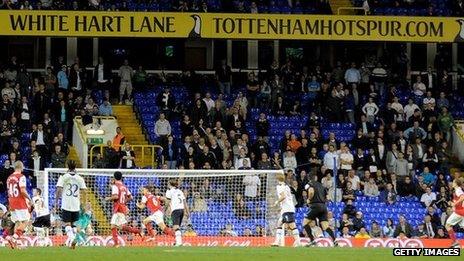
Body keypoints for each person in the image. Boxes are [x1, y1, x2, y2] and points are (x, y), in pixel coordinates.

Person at [54, 160, 87, 249]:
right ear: (75, 167)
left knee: (67, 224)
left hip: (66, 204)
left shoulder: (63, 177)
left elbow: (59, 190)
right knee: (74, 225)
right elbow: (84, 192)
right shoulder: (80, 178)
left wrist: (56, 202)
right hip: (76, 204)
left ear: (67, 166)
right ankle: (75, 242)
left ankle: (72, 239)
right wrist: (84, 204)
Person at [104, 171, 141, 248]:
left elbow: (116, 197)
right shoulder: (124, 186)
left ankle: (117, 243)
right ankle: (117, 242)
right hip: (122, 207)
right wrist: (124, 202)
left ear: (114, 177)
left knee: (114, 226)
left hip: (118, 208)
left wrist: (108, 198)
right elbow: (131, 197)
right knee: (118, 226)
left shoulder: (115, 186)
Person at [303, 175, 337, 246]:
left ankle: (312, 240)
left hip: (315, 205)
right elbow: (327, 197)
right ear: (316, 178)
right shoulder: (322, 185)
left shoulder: (309, 184)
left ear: (308, 178)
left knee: (305, 223)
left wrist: (309, 199)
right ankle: (334, 240)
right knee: (325, 226)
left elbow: (311, 191)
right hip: (323, 206)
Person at [5, 161, 31, 249]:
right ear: (22, 167)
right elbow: (23, 191)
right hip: (20, 202)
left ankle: (14, 242)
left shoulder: (9, 178)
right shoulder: (21, 177)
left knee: (17, 222)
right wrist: (29, 199)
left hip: (11, 202)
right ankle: (14, 238)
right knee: (26, 221)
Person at [271, 173, 301, 247]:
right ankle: (277, 242)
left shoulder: (279, 187)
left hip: (287, 208)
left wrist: (276, 202)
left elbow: (283, 196)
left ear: (277, 179)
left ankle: (298, 242)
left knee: (292, 225)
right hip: (287, 208)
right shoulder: (287, 186)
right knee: (279, 223)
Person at [166, 179, 189, 246]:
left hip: (175, 210)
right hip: (182, 210)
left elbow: (167, 202)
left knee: (176, 227)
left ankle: (179, 242)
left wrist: (164, 210)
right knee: (176, 227)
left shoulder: (169, 191)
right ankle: (177, 241)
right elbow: (185, 203)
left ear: (170, 184)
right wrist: (187, 212)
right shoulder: (180, 191)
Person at [444, 177, 464, 248]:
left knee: (447, 225)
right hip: (461, 211)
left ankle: (455, 242)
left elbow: (462, 197)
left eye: (453, 182)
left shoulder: (458, 190)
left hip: (459, 212)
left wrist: (454, 204)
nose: (452, 183)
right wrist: (453, 204)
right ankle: (456, 244)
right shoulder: (457, 190)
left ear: (456, 184)